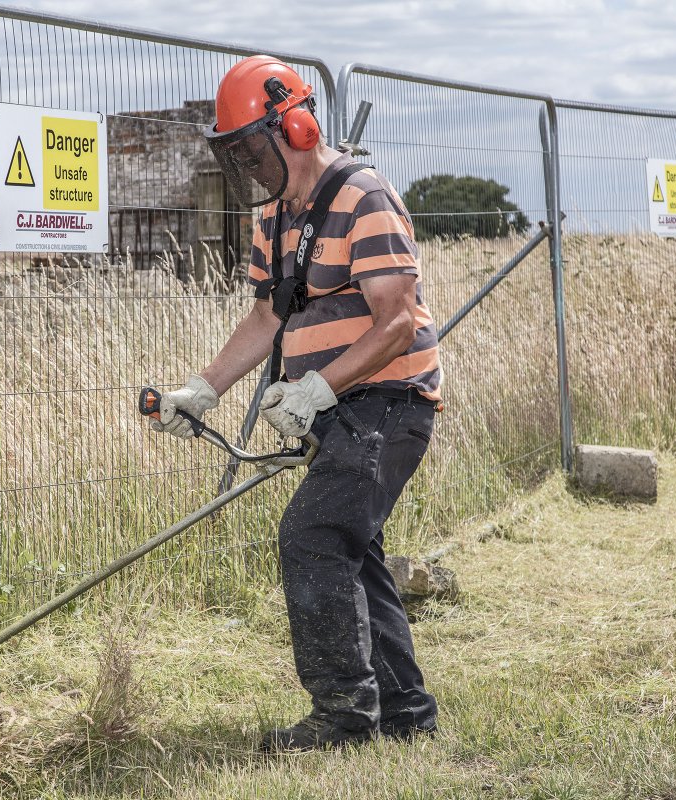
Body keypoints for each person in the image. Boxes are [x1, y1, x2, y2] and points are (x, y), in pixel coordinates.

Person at [149, 55, 442, 753]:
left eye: (253, 148)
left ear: (298, 125)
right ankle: (405, 713)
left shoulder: (363, 197)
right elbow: (266, 319)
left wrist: (317, 389)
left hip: (391, 404)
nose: (249, 166)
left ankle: (343, 719)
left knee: (312, 537)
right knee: (351, 547)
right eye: (237, 154)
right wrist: (204, 388)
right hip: (343, 408)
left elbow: (397, 321)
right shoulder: (276, 220)